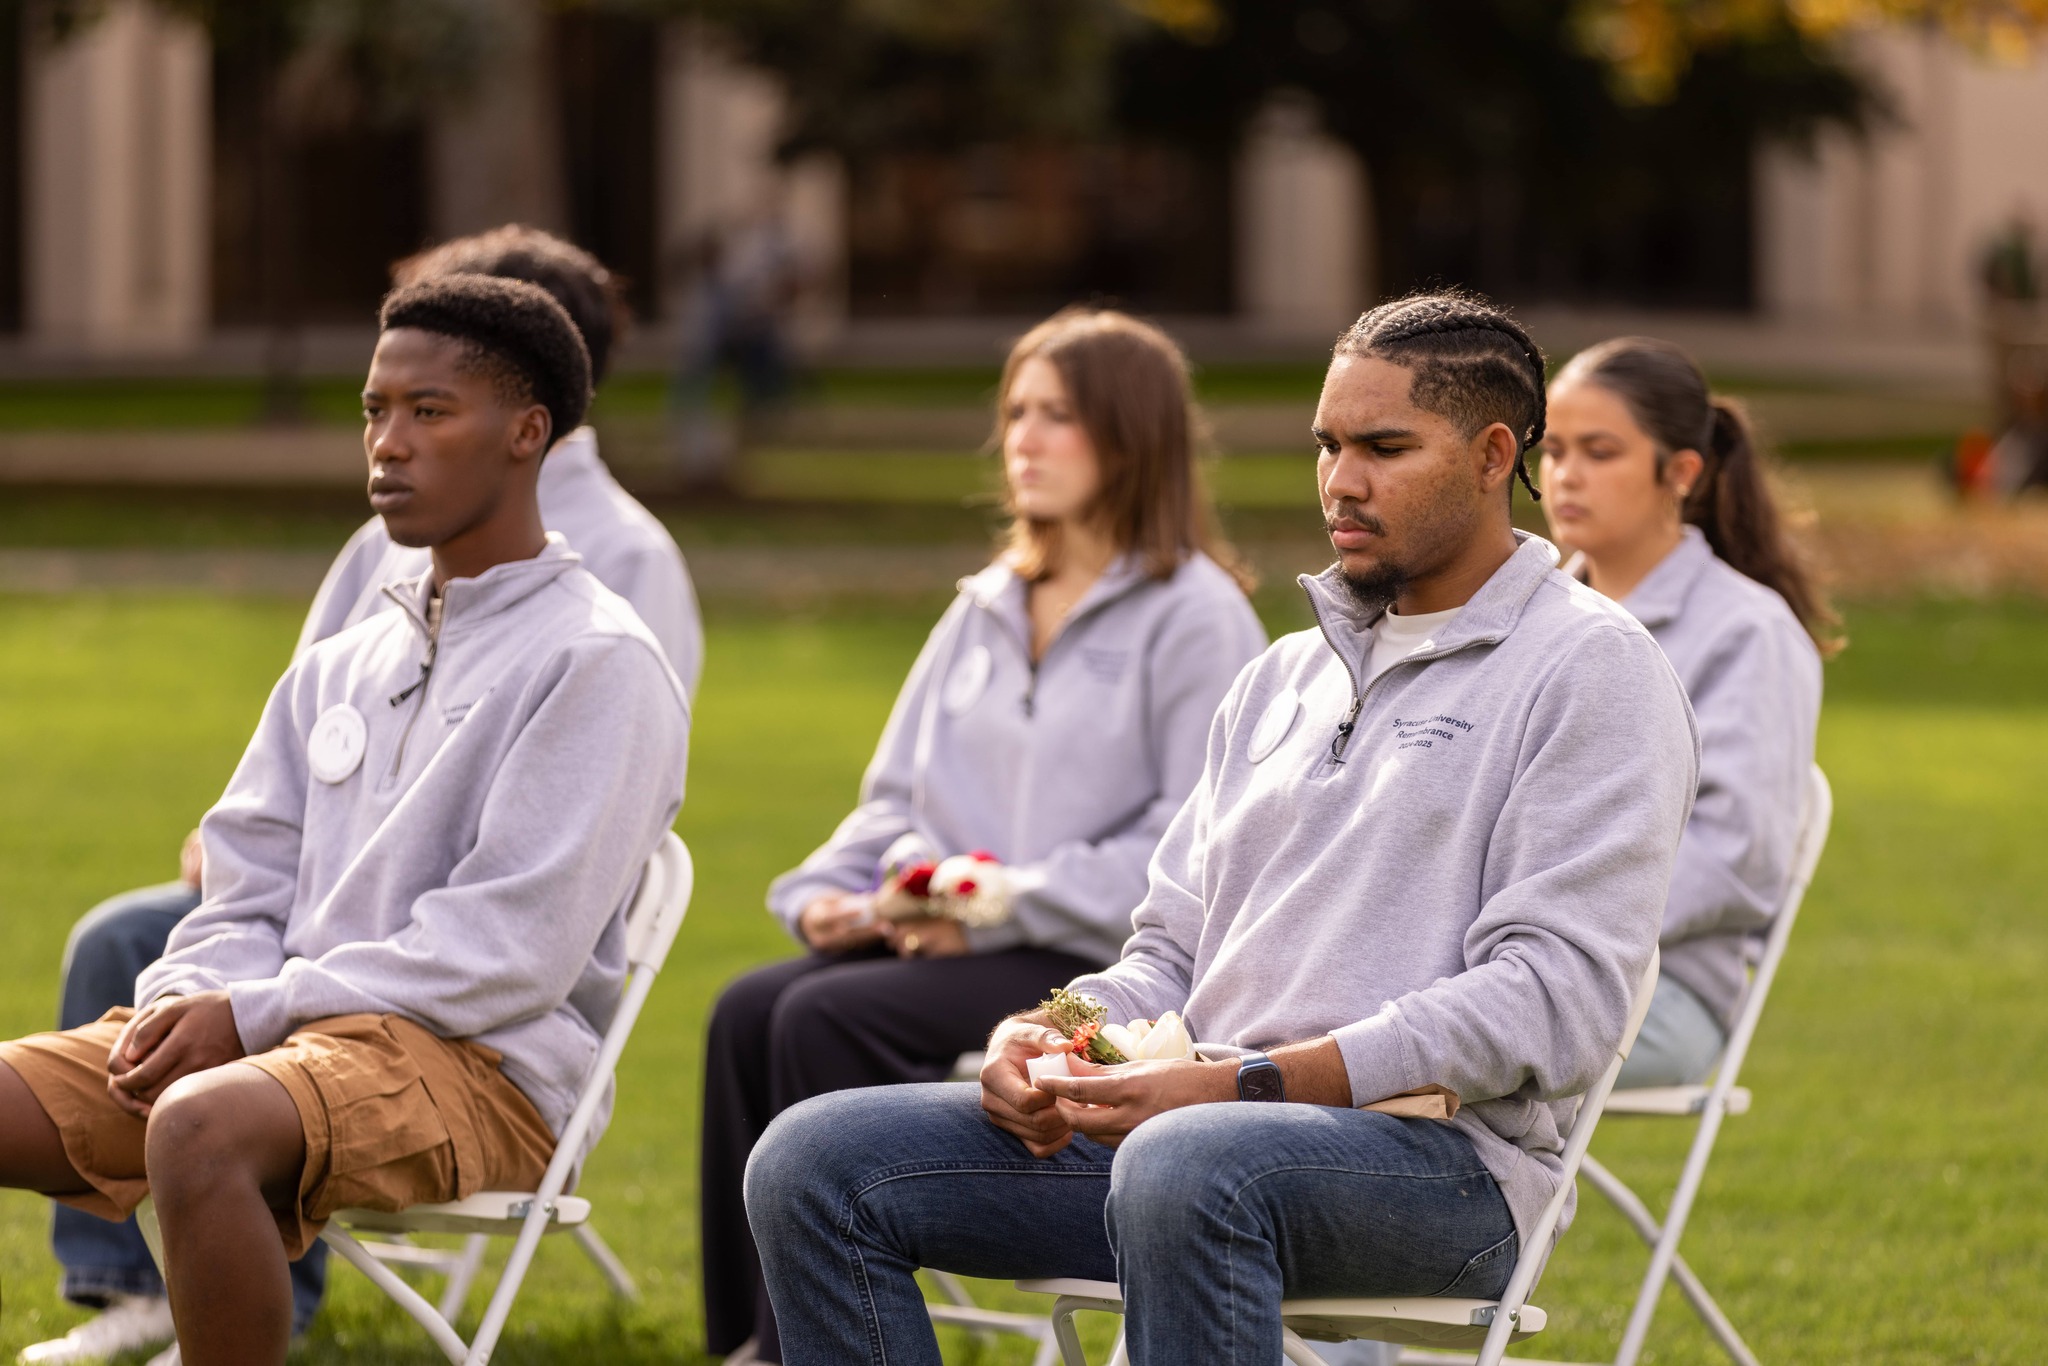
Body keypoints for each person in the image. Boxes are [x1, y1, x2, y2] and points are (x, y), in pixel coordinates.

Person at [741, 291, 1701, 1366]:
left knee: (1189, 1164)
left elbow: (1551, 1001)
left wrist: (1247, 1083)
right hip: (1190, 1133)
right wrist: (1052, 1029)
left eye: (1384, 447)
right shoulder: (1277, 678)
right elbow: (1165, 951)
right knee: (812, 1160)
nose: (1341, 480)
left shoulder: (1589, 668)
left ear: (1489, 455)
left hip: (1441, 1170)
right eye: (1328, 445)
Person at [19, 225, 702, 1366]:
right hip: (287, 1045)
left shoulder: (598, 660)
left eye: (429, 413)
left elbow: (506, 952)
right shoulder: (345, 655)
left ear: (529, 433)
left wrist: (250, 1018)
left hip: (483, 1071)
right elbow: (243, 875)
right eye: (375, 411)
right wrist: (198, 990)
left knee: (202, 1123)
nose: (387, 444)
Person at [702, 307, 1268, 1363]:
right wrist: (834, 893)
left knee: (819, 1019)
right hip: (951, 941)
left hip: (1086, 956)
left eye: (1058, 416)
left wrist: (997, 901)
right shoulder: (982, 604)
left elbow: (1188, 842)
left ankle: (794, 1346)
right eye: (1014, 412)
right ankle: (743, 1338)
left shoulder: (1193, 614)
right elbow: (893, 799)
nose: (1024, 438)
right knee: (749, 1006)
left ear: (1132, 437)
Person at [1540, 336, 1833, 1088]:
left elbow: (1738, 856)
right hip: (1500, 965)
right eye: (1555, 450)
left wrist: (1550, 931)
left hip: (1653, 993)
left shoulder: (1748, 631)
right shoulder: (1520, 616)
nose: (1566, 475)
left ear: (1681, 472)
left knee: (1402, 1053)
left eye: (1599, 452)